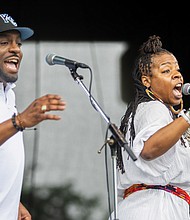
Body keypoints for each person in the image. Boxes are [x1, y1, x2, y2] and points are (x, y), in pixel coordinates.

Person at [108, 35, 190, 220]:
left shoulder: (164, 116)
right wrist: (187, 117)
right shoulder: (154, 107)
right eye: (167, 70)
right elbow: (149, 149)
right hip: (156, 208)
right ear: (147, 81)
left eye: (178, 70)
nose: (177, 75)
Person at [0, 13, 66, 220]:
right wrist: (18, 122)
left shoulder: (8, 94)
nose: (16, 49)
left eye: (18, 44)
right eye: (4, 42)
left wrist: (13, 202)